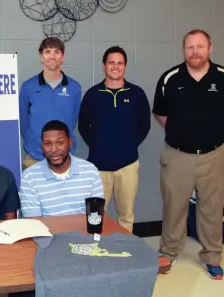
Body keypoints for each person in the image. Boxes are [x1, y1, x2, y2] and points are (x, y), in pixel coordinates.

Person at [152, 29, 224, 279]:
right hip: (177, 156)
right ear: (184, 50)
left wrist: (212, 129)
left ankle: (212, 256)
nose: (195, 51)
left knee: (212, 210)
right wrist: (182, 130)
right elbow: (160, 113)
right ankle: (168, 253)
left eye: (200, 46)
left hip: (215, 156)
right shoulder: (170, 78)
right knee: (174, 208)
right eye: (190, 47)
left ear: (210, 48)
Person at [78, 46, 151, 233]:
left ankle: (123, 250)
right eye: (111, 62)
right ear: (104, 66)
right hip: (98, 167)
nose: (115, 67)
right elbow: (83, 126)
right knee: (96, 215)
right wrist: (99, 146)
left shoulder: (137, 94)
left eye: (120, 63)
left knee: (126, 215)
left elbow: (144, 125)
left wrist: (128, 146)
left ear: (125, 66)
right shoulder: (93, 95)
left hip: (127, 166)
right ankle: (96, 251)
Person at [19, 37, 81, 170]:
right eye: (47, 52)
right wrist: (36, 142)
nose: (52, 56)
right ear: (41, 57)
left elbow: (72, 120)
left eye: (57, 52)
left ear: (62, 57)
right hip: (35, 157)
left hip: (65, 158)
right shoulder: (28, 87)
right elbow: (24, 123)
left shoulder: (74, 88)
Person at [20, 120, 104, 217]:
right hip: (47, 232)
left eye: (60, 143)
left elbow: (96, 215)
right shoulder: (30, 177)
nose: (54, 149)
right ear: (42, 146)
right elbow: (34, 223)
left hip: (83, 232)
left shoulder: (90, 171)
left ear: (70, 143)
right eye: (48, 144)